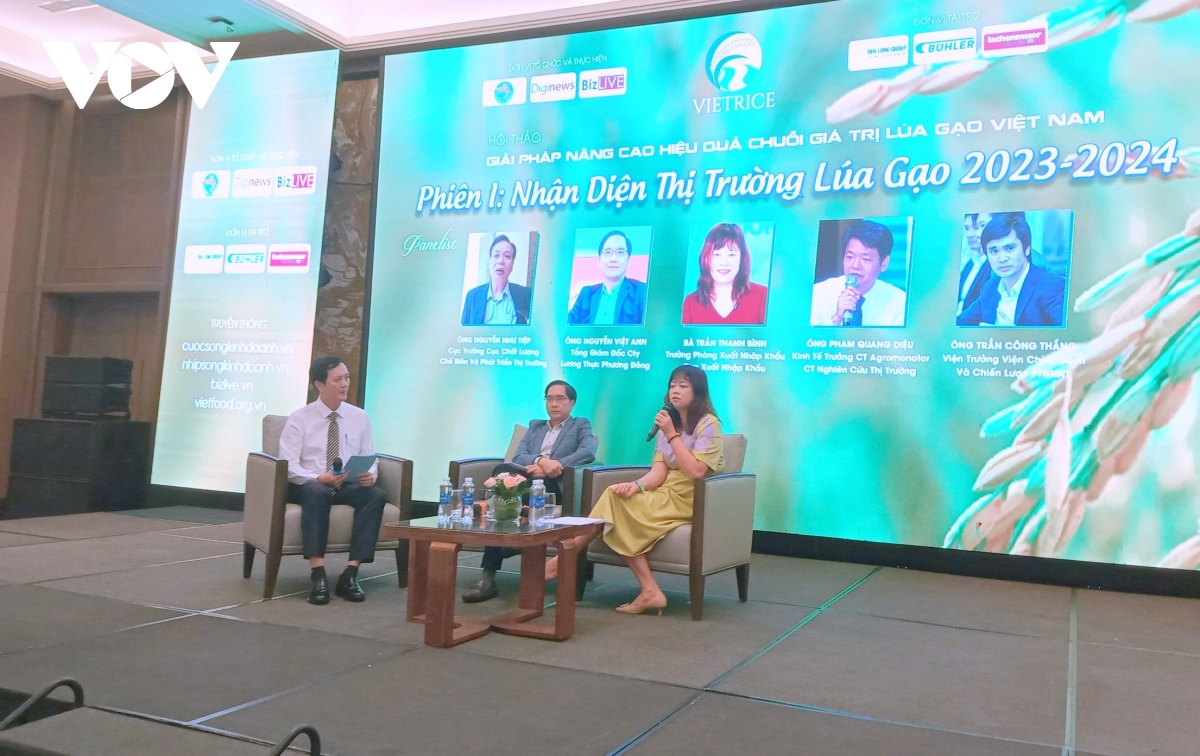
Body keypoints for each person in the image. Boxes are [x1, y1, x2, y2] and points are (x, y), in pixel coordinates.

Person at [544, 365, 723, 615]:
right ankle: (649, 590)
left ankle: (567, 554)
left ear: (698, 392)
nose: (675, 390)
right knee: (615, 494)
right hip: (666, 492)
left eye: (683, 386)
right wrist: (635, 486)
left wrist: (672, 435)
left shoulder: (708, 424)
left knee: (618, 511)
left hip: (692, 496)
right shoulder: (668, 424)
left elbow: (696, 472)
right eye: (672, 385)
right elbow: (658, 473)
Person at [462, 380, 597, 603]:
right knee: (505, 480)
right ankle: (490, 573)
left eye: (560, 399)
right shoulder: (535, 426)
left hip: (555, 485)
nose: (554, 404)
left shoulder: (580, 425)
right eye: (549, 399)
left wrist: (556, 465)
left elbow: (587, 452)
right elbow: (519, 455)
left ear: (572, 403)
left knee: (505, 501)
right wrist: (541, 461)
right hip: (527, 479)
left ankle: (496, 533)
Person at [279, 357, 386, 605]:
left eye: (346, 377)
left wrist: (370, 474)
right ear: (320, 384)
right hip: (310, 484)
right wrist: (319, 477)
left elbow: (370, 456)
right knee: (318, 492)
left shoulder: (359, 416)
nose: (345, 384)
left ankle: (350, 573)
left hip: (346, 483)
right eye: (338, 379)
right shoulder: (300, 418)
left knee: (376, 495)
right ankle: (318, 573)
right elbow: (288, 466)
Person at [957, 214, 1066, 327]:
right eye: (994, 251)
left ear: (1027, 249)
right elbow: (960, 323)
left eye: (1009, 248)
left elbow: (1065, 336)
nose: (1002, 258)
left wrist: (1013, 334)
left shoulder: (1052, 287)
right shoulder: (990, 287)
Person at [810, 220, 907, 327]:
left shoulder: (900, 303)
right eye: (850, 257)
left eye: (866, 259)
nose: (855, 265)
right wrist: (836, 319)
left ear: (884, 263)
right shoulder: (818, 294)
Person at [681, 223, 769, 325]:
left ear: (741, 259)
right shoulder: (691, 302)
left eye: (731, 255)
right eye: (717, 254)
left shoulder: (762, 296)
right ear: (706, 259)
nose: (724, 263)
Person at [567, 230, 648, 325]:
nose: (613, 259)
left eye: (620, 252)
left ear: (628, 259)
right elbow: (565, 327)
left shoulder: (642, 291)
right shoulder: (586, 294)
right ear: (599, 260)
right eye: (607, 252)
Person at [461, 235, 532, 325]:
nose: (500, 261)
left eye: (507, 256)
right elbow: (463, 332)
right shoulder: (472, 297)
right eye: (496, 255)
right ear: (490, 261)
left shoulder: (526, 295)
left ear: (512, 264)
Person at [957, 212, 993, 316]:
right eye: (966, 228)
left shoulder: (993, 266)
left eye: (976, 227)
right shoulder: (970, 263)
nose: (970, 234)